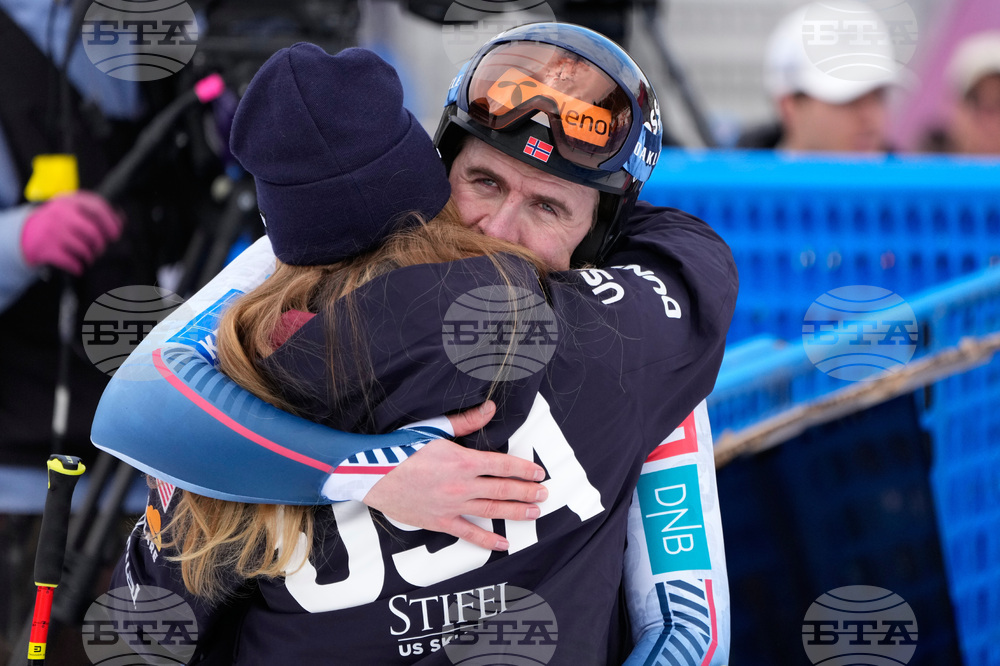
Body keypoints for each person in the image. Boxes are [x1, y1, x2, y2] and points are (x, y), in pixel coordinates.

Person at [99, 27, 736, 664]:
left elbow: (144, 629)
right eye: (484, 182)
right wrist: (370, 473)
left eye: (547, 207)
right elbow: (690, 634)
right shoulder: (636, 338)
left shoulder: (241, 384)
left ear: (598, 237)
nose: (501, 230)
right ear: (430, 176)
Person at [737, 1, 898, 152]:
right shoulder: (733, 180)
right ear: (788, 106)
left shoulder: (907, 178)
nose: (870, 117)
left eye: (878, 96)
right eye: (849, 100)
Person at [921, 31, 1000, 155]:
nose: (989, 121)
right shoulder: (917, 169)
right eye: (975, 101)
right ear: (952, 108)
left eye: (998, 103)